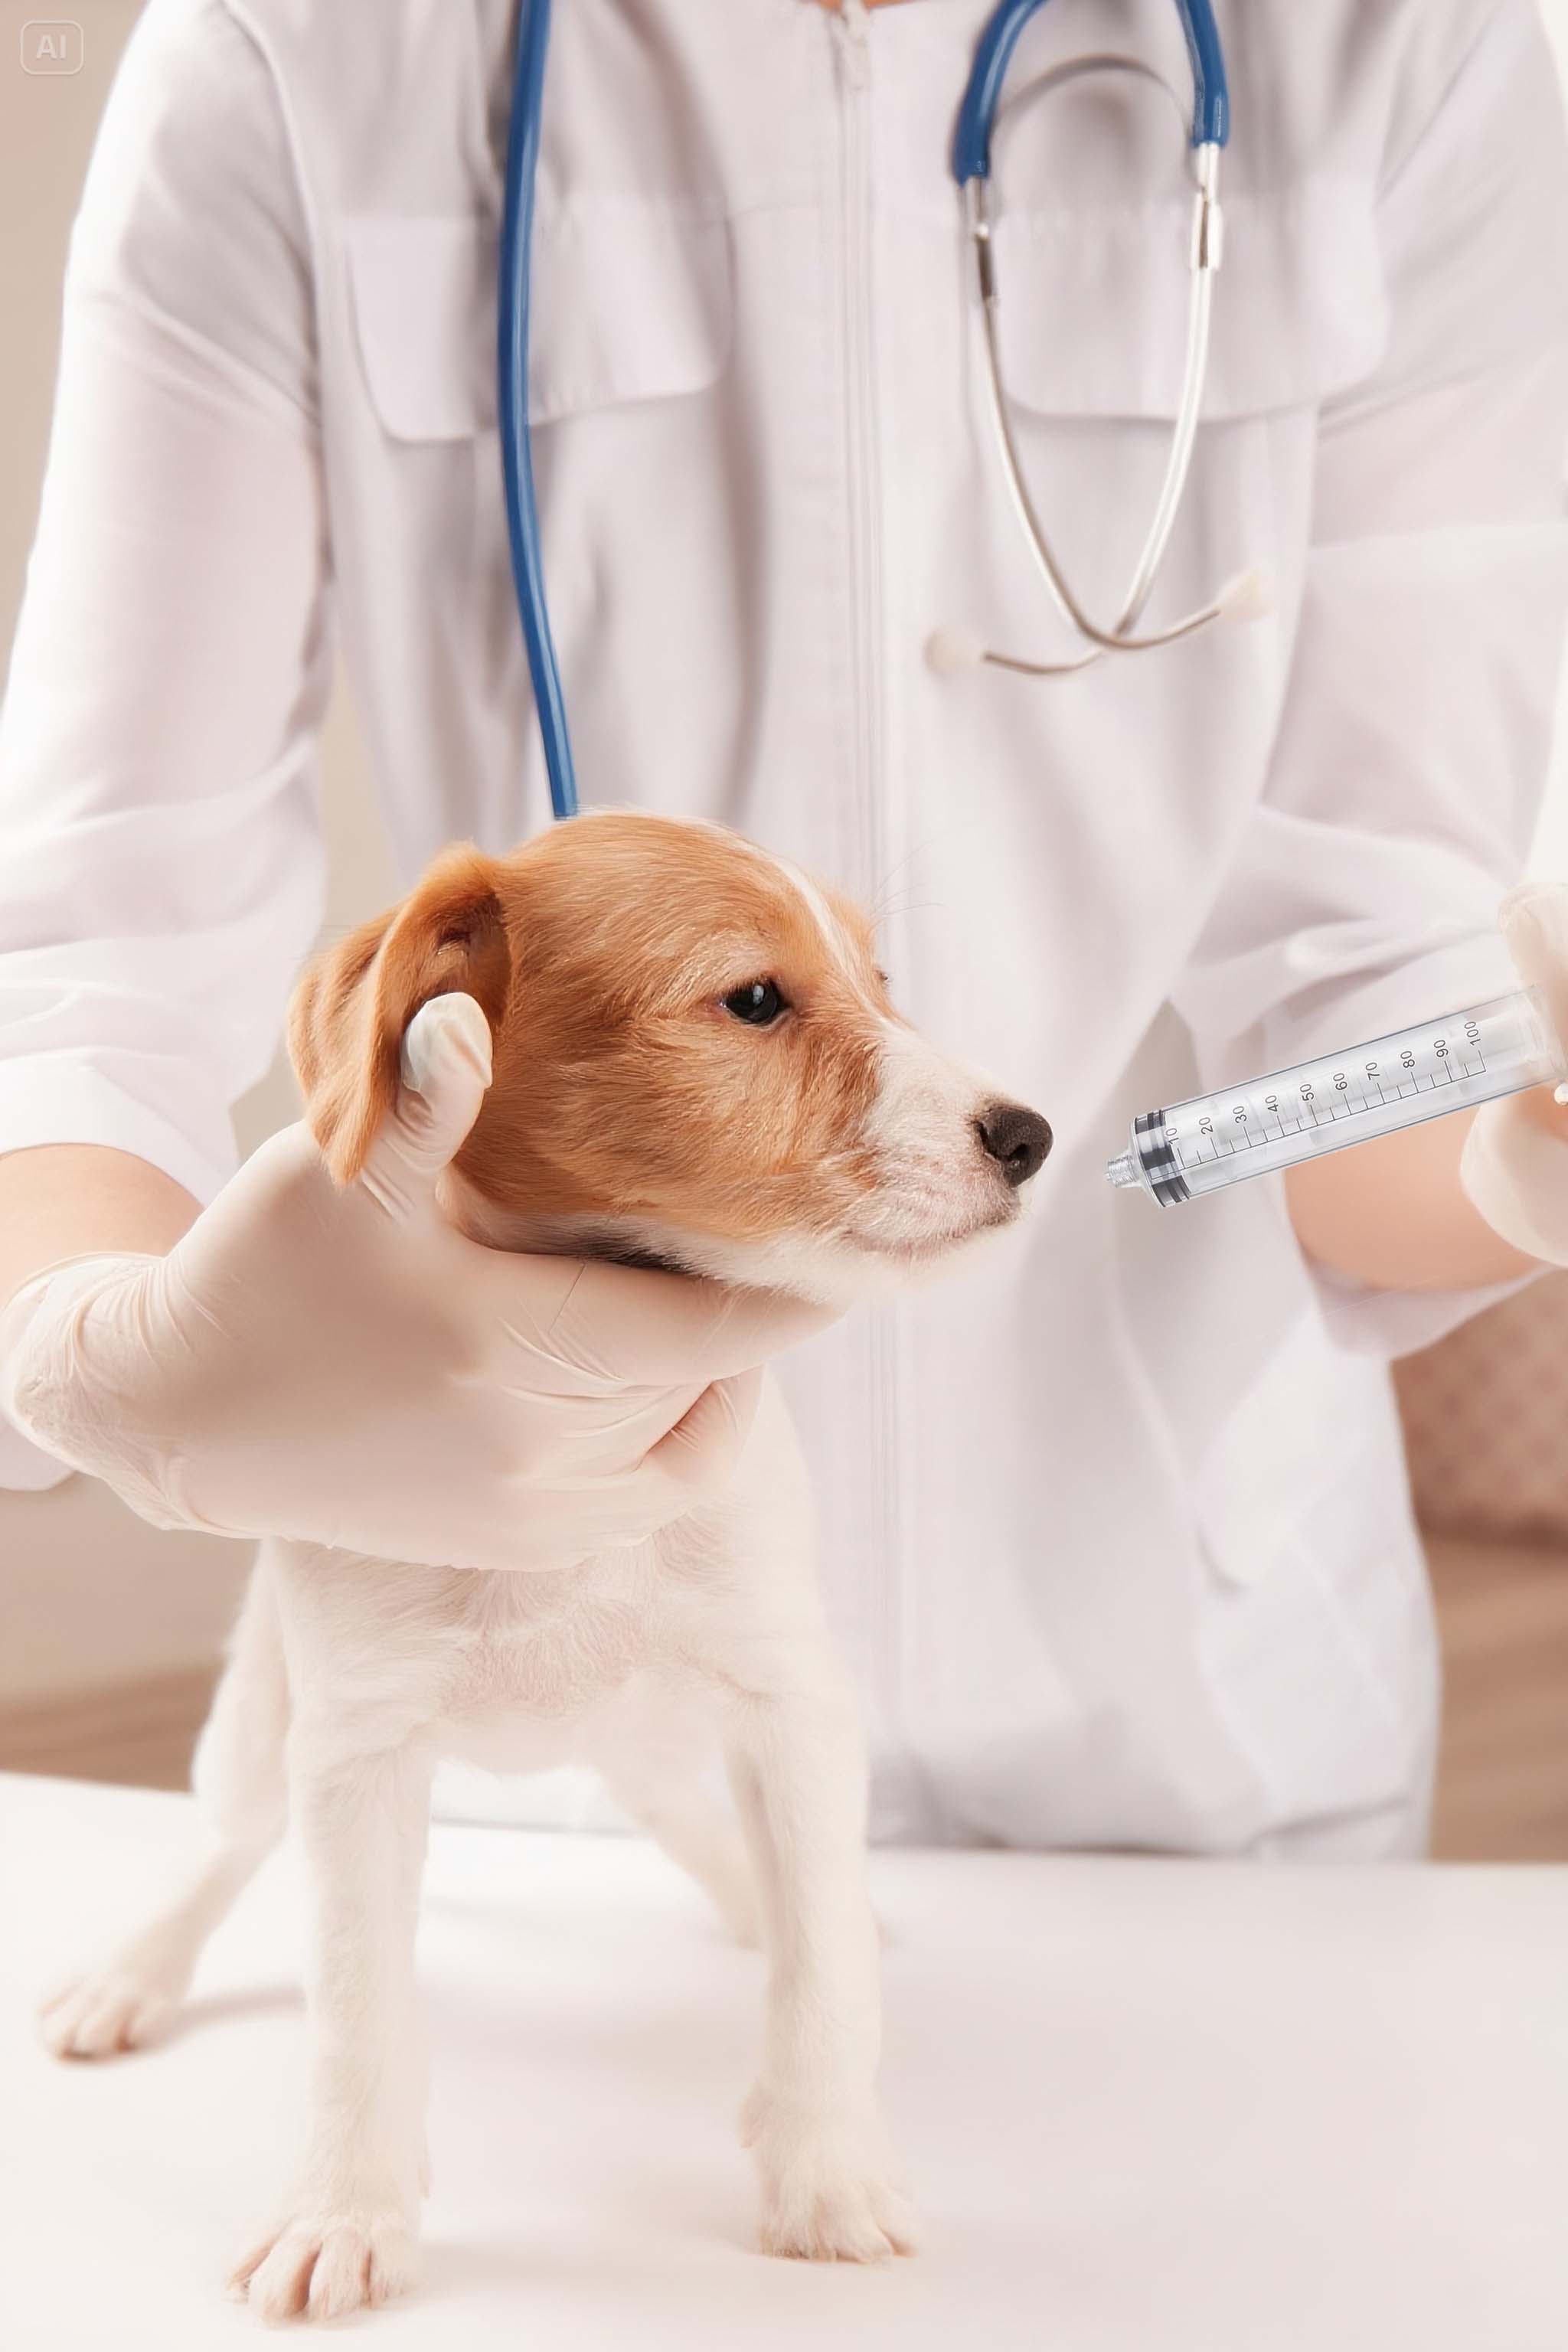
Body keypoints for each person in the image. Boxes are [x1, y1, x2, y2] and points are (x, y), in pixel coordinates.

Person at [3, 0, 1568, 1860]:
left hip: (1194, 1769)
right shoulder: (299, 45)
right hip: (555, 1751)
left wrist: (1527, 1141)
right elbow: (84, 947)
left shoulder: (1420, 39)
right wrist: (98, 1351)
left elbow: (1366, 1015)